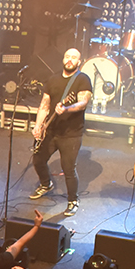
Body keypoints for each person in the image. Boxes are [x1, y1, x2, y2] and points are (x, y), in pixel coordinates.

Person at [30, 48, 93, 218]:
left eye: (74, 57)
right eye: (67, 56)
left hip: (71, 134)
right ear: (63, 59)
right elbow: (44, 105)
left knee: (68, 169)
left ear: (79, 61)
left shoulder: (82, 79)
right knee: (38, 159)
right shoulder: (53, 79)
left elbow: (82, 103)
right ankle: (46, 184)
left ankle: (73, 200)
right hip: (51, 131)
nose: (70, 60)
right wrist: (38, 126)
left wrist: (66, 109)